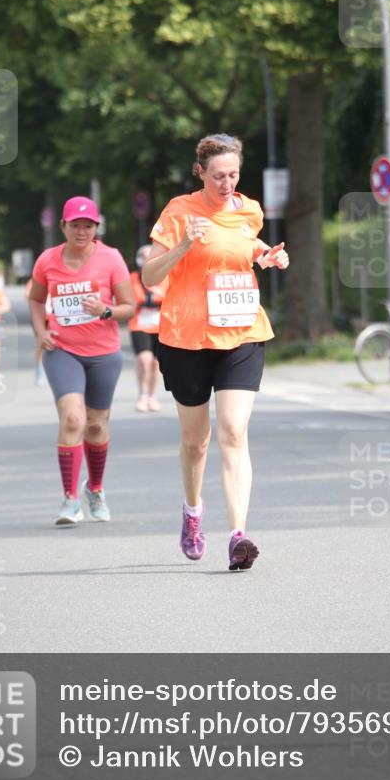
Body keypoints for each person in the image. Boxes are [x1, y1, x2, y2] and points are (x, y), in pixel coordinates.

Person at [142, 133, 289, 571]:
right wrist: (184, 244)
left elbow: (243, 245)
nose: (227, 184)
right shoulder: (179, 212)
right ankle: (192, 512)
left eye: (234, 175)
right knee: (195, 441)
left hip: (242, 332)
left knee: (233, 431)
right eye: (219, 176)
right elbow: (150, 276)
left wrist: (266, 256)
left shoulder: (249, 210)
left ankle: (238, 536)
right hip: (187, 337)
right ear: (200, 173)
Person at [28, 196, 136, 526]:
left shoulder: (111, 258)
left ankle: (96, 489)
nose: (82, 231)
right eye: (75, 225)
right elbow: (36, 299)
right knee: (73, 419)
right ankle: (70, 499)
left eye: (88, 226)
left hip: (103, 352)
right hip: (63, 350)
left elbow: (129, 306)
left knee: (96, 425)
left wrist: (105, 310)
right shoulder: (47, 260)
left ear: (96, 228)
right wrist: (40, 331)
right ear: (63, 226)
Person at [128, 244, 166, 412]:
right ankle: (142, 394)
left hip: (159, 325)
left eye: (149, 256)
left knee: (155, 363)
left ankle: (152, 395)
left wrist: (159, 295)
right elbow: (132, 299)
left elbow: (170, 297)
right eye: (143, 257)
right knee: (144, 359)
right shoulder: (133, 278)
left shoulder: (165, 276)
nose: (146, 260)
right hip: (139, 324)